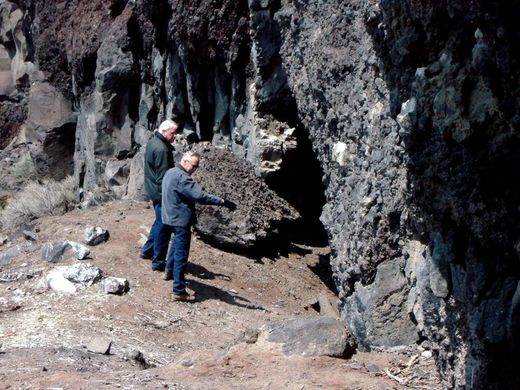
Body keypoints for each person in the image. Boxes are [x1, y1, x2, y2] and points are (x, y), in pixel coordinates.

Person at [161, 151, 236, 302]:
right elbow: (200, 196)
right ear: (186, 162)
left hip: (168, 217)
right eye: (194, 165)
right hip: (180, 220)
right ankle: (178, 291)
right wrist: (222, 202)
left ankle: (168, 271)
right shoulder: (183, 178)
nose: (195, 169)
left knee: (175, 244)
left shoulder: (170, 172)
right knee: (181, 254)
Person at [141, 119, 179, 272]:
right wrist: (170, 196)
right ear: (164, 131)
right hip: (160, 192)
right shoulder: (162, 150)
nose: (174, 136)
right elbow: (163, 177)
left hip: (152, 189)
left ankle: (147, 250)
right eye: (172, 133)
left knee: (159, 222)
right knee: (164, 226)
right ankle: (158, 262)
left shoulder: (153, 141)